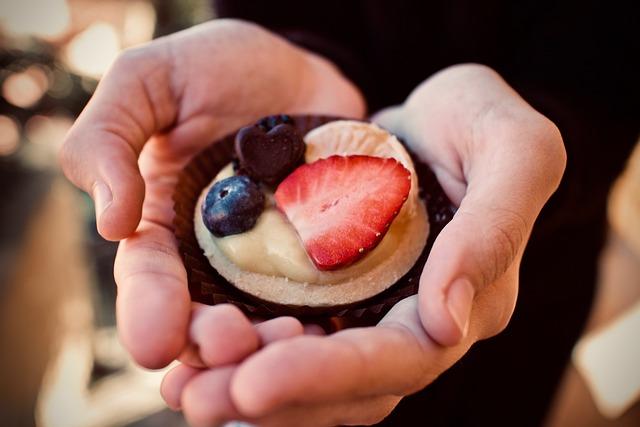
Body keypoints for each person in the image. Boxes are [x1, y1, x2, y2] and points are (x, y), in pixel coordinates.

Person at [59, 1, 639, 426]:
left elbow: (609, 63)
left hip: (526, 252)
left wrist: (554, 134)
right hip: (318, 127)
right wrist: (294, 46)